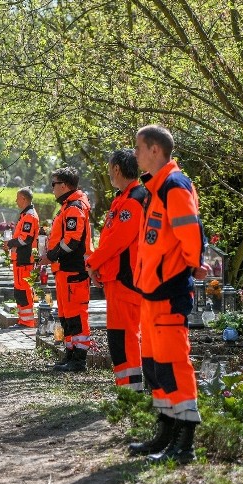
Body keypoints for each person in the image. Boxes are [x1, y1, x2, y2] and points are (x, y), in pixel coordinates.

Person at [129, 125, 208, 464]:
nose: (135, 154)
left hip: (169, 292)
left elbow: (191, 234)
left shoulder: (174, 186)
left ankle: (185, 442)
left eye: (138, 148)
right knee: (155, 367)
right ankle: (165, 433)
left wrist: (192, 266)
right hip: (151, 293)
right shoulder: (156, 188)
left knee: (175, 365)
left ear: (155, 151)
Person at [85, 150, 146, 390]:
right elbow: (112, 240)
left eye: (110, 168)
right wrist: (99, 267)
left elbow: (117, 241)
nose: (109, 173)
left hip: (126, 280)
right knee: (118, 337)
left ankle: (131, 390)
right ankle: (126, 386)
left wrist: (92, 263)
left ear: (117, 169)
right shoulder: (123, 198)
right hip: (117, 279)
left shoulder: (134, 200)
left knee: (125, 336)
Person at [43, 166, 93, 372]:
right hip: (64, 270)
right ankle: (70, 355)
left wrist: (52, 254)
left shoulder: (74, 207)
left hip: (73, 270)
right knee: (66, 315)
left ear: (64, 185)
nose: (52, 188)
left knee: (76, 315)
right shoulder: (67, 206)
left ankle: (79, 360)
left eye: (54, 184)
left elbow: (72, 240)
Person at [5, 188, 39, 328]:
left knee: (23, 291)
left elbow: (25, 239)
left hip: (25, 260)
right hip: (21, 260)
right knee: (19, 291)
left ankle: (27, 322)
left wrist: (10, 243)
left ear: (24, 199)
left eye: (17, 198)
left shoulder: (29, 216)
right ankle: (23, 320)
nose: (15, 200)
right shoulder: (26, 215)